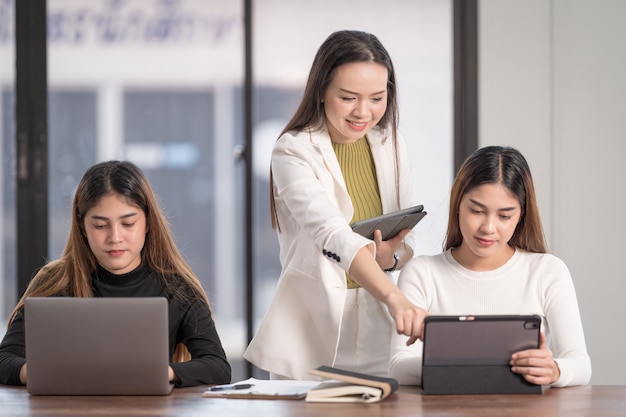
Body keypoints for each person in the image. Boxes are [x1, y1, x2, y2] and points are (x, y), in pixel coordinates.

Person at [243, 30, 427, 380]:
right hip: (314, 331)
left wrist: (393, 257)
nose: (364, 112)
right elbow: (334, 235)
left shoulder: (391, 143)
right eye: (348, 97)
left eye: (377, 97)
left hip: (380, 328)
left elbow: (406, 241)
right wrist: (396, 298)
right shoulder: (292, 150)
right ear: (322, 93)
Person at [0, 160, 231, 387]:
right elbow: (4, 359)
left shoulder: (177, 289)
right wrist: (42, 374)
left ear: (148, 223)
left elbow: (217, 366)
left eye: (128, 224)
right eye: (100, 226)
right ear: (82, 227)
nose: (115, 238)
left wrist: (162, 373)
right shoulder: (56, 281)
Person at [389, 145, 592, 387]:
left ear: (521, 215)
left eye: (504, 216)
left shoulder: (547, 271)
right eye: (476, 211)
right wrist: (471, 364)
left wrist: (555, 370)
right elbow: (398, 367)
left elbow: (580, 364)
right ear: (457, 205)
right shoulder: (422, 273)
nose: (488, 227)